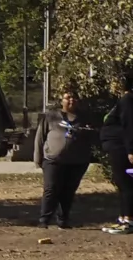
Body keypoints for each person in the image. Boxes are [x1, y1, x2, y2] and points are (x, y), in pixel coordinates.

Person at [30, 86, 98, 228]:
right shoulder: (51, 117)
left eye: (74, 98)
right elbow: (39, 138)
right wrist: (38, 158)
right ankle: (44, 220)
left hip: (77, 161)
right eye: (68, 98)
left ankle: (63, 220)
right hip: (53, 160)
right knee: (51, 189)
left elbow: (93, 137)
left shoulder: (84, 118)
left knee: (68, 191)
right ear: (62, 101)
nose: (71, 100)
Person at [98, 69, 133, 232]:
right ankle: (123, 217)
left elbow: (130, 126)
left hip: (123, 148)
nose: (112, 84)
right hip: (116, 147)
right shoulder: (125, 100)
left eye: (115, 81)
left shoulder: (128, 100)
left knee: (127, 183)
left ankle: (129, 221)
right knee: (121, 183)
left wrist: (132, 150)